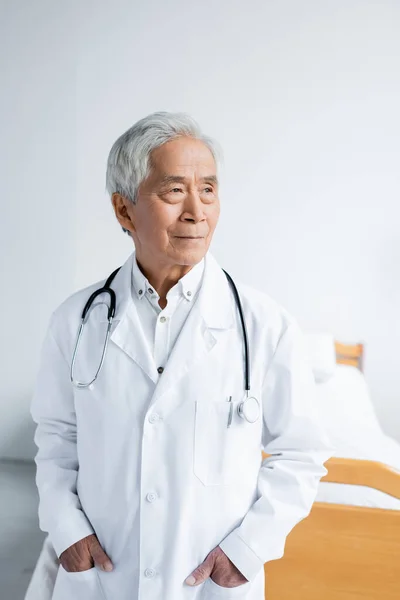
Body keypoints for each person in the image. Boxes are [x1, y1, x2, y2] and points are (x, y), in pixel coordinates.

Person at [28, 112, 333, 600]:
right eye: (174, 192)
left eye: (208, 190)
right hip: (104, 574)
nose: (197, 211)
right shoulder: (75, 320)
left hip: (209, 580)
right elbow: (57, 437)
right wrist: (66, 529)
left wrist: (249, 549)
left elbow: (301, 452)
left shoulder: (263, 325)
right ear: (123, 211)